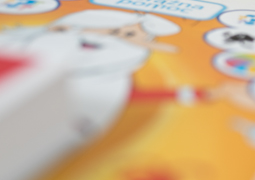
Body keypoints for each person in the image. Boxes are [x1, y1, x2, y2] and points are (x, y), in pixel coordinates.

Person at [0, 9, 180, 137]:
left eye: (128, 36)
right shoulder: (17, 47)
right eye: (113, 31)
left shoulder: (109, 82)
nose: (106, 38)